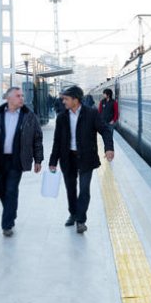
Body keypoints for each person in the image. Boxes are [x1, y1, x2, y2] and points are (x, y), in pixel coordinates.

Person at [0, 87, 44, 237]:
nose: (22, 98)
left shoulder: (29, 116)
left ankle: (7, 224)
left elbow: (37, 138)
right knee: (2, 192)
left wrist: (38, 159)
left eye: (22, 95)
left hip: (17, 160)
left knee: (11, 190)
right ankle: (11, 213)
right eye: (18, 96)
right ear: (8, 99)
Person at [49, 86, 114, 234]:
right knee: (71, 189)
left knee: (84, 190)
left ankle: (81, 220)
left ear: (75, 99)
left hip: (86, 157)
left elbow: (105, 130)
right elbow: (57, 141)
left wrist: (108, 148)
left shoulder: (91, 114)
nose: (63, 101)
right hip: (68, 157)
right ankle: (73, 213)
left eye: (66, 98)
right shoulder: (62, 117)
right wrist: (53, 161)